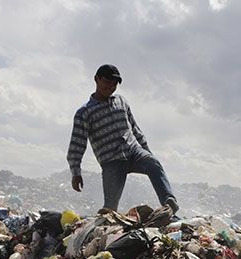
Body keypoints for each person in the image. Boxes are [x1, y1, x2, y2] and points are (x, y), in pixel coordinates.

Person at [67, 64, 179, 215]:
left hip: (133, 151)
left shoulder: (121, 101)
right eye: (107, 82)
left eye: (114, 84)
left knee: (153, 164)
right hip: (112, 161)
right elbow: (77, 145)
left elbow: (134, 128)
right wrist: (76, 172)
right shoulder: (84, 113)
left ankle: (169, 203)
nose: (111, 87)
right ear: (96, 79)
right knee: (110, 209)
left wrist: (147, 151)